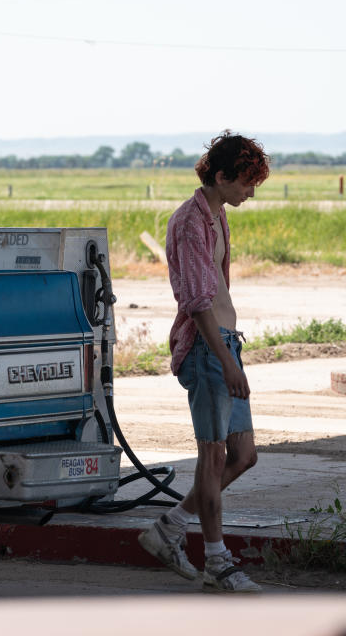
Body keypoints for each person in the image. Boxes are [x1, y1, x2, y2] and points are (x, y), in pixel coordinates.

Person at [138, 130, 270, 593]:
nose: (251, 193)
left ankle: (169, 529)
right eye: (246, 183)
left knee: (244, 455)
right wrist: (226, 361)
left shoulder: (216, 216)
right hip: (207, 348)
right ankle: (217, 562)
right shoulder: (190, 222)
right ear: (221, 175)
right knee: (213, 455)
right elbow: (197, 302)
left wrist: (234, 352)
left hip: (226, 344)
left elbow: (219, 289)